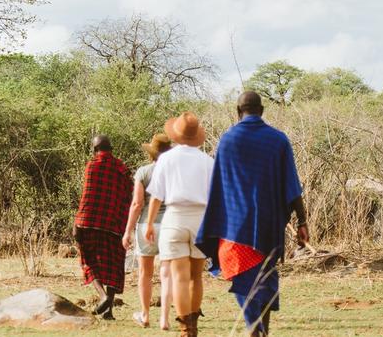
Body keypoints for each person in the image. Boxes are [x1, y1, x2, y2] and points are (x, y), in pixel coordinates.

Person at [196, 92, 310, 337]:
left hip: (235, 225)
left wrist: (214, 221)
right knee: (264, 277)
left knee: (242, 275)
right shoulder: (278, 140)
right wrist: (302, 221)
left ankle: (254, 329)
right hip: (269, 225)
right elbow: (292, 185)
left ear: (238, 111)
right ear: (262, 110)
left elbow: (218, 186)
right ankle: (259, 330)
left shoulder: (228, 140)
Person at [144, 112, 215, 337]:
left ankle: (185, 329)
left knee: (180, 278)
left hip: (175, 217)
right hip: (201, 219)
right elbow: (216, 197)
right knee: (196, 277)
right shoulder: (208, 161)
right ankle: (193, 327)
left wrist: (149, 223)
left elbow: (156, 196)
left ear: (176, 135)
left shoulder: (166, 159)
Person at [73, 134, 133, 320]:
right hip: (115, 223)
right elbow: (128, 196)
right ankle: (108, 311)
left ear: (94, 149)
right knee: (114, 265)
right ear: (111, 149)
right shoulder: (122, 169)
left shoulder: (92, 166)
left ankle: (103, 296)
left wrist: (77, 222)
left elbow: (87, 196)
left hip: (91, 221)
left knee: (89, 260)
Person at [122, 133, 175, 329]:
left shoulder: (143, 172)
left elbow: (137, 204)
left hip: (147, 225)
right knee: (167, 273)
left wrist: (128, 230)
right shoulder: (174, 172)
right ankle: (165, 318)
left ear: (151, 153)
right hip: (170, 225)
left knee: (145, 273)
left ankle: (145, 315)